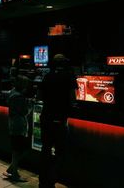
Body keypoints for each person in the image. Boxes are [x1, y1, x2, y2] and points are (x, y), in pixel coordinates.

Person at [38, 54, 77, 188]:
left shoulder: (47, 76)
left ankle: (43, 181)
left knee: (46, 149)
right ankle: (52, 180)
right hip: (60, 120)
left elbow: (40, 96)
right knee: (59, 152)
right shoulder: (69, 77)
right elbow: (73, 100)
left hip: (46, 117)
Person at [3, 74, 32, 182]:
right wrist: (30, 106)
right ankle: (14, 173)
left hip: (12, 124)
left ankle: (11, 169)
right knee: (20, 150)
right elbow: (24, 112)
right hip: (19, 125)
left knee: (16, 149)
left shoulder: (12, 92)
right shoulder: (19, 96)